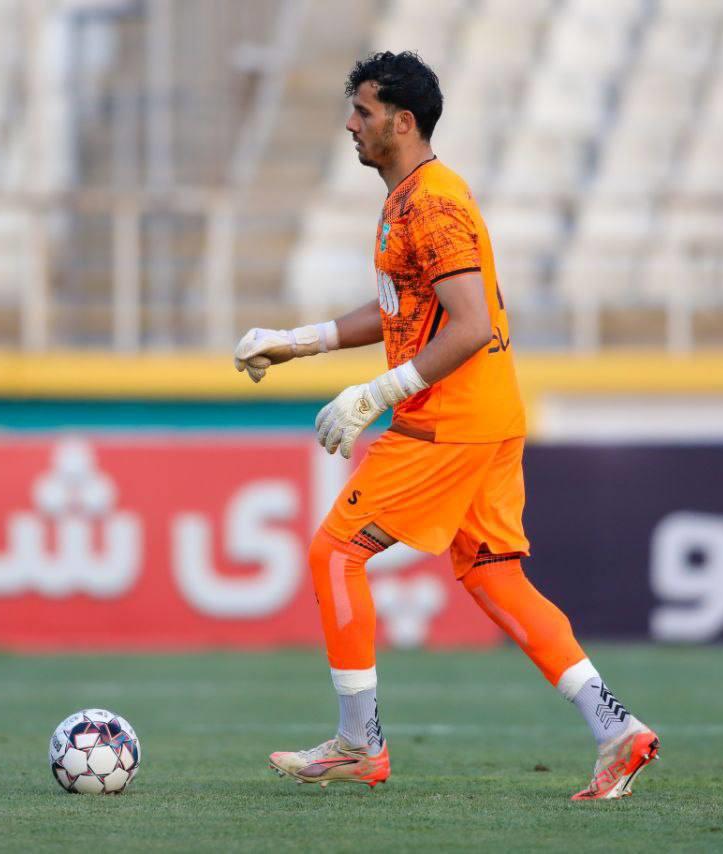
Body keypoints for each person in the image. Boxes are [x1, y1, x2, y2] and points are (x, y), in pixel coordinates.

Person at [233, 51, 659, 800]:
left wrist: (375, 394)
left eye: (363, 111)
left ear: (403, 122)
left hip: (450, 421)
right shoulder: (412, 197)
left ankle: (360, 743)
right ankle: (616, 729)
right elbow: (404, 310)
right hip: (487, 414)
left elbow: (469, 325)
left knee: (335, 554)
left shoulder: (431, 203)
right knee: (493, 575)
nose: (350, 124)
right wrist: (299, 341)